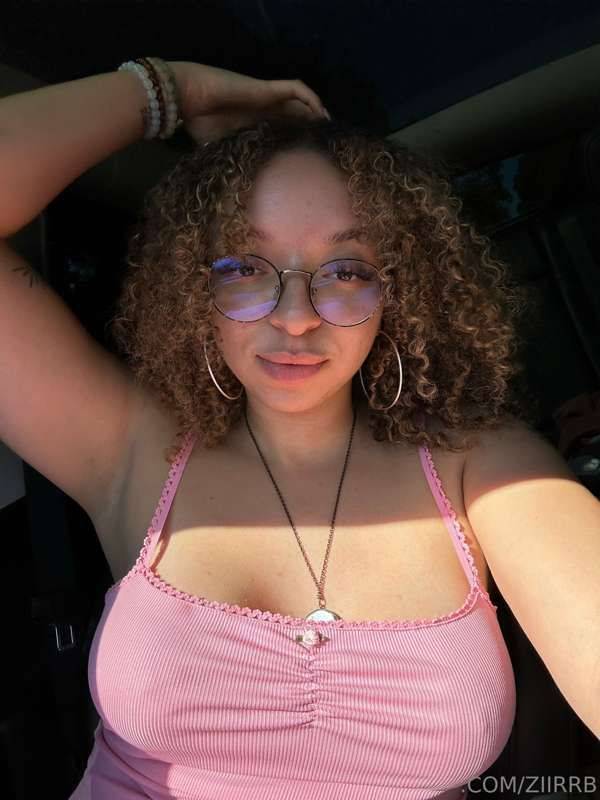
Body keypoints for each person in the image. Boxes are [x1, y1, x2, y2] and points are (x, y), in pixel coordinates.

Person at [2, 58, 589, 800]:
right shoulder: (132, 449)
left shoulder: (481, 469)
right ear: (195, 286)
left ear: (398, 291)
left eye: (344, 271)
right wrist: (173, 89)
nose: (295, 316)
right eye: (245, 265)